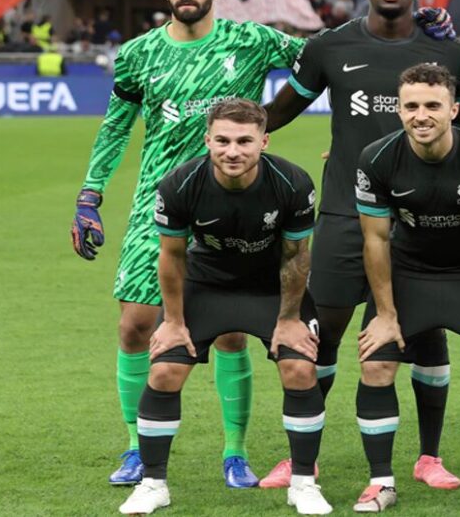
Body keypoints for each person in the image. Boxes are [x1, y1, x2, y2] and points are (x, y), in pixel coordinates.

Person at [259, 0, 460, 490]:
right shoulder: (328, 47)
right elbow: (275, 114)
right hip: (346, 212)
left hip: (426, 221)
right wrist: (225, 134)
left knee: (426, 335)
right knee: (323, 333)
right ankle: (303, 456)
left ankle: (429, 457)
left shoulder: (447, 53)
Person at [72, 0, 304, 488]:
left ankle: (235, 452)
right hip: (159, 202)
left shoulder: (252, 40)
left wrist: (286, 126)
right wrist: (89, 194)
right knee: (135, 325)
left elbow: (325, 63)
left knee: (229, 335)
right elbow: (116, 125)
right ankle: (136, 446)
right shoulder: (139, 53)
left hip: (235, 204)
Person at [117, 99, 329, 515]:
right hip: (206, 284)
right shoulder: (179, 184)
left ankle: (304, 484)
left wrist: (289, 319)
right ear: (207, 140)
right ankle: (153, 484)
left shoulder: (292, 182)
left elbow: (296, 256)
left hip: (270, 287)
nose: (233, 151)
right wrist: (173, 321)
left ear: (263, 142)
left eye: (244, 141)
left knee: (300, 369)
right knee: (163, 371)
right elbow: (172, 257)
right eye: (223, 141)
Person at [352, 64, 460, 513]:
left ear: (453, 109)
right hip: (409, 272)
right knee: (376, 365)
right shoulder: (376, 158)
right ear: (398, 110)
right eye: (411, 106)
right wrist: (385, 315)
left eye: (432, 105)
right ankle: (380, 483)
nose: (421, 115)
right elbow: (375, 240)